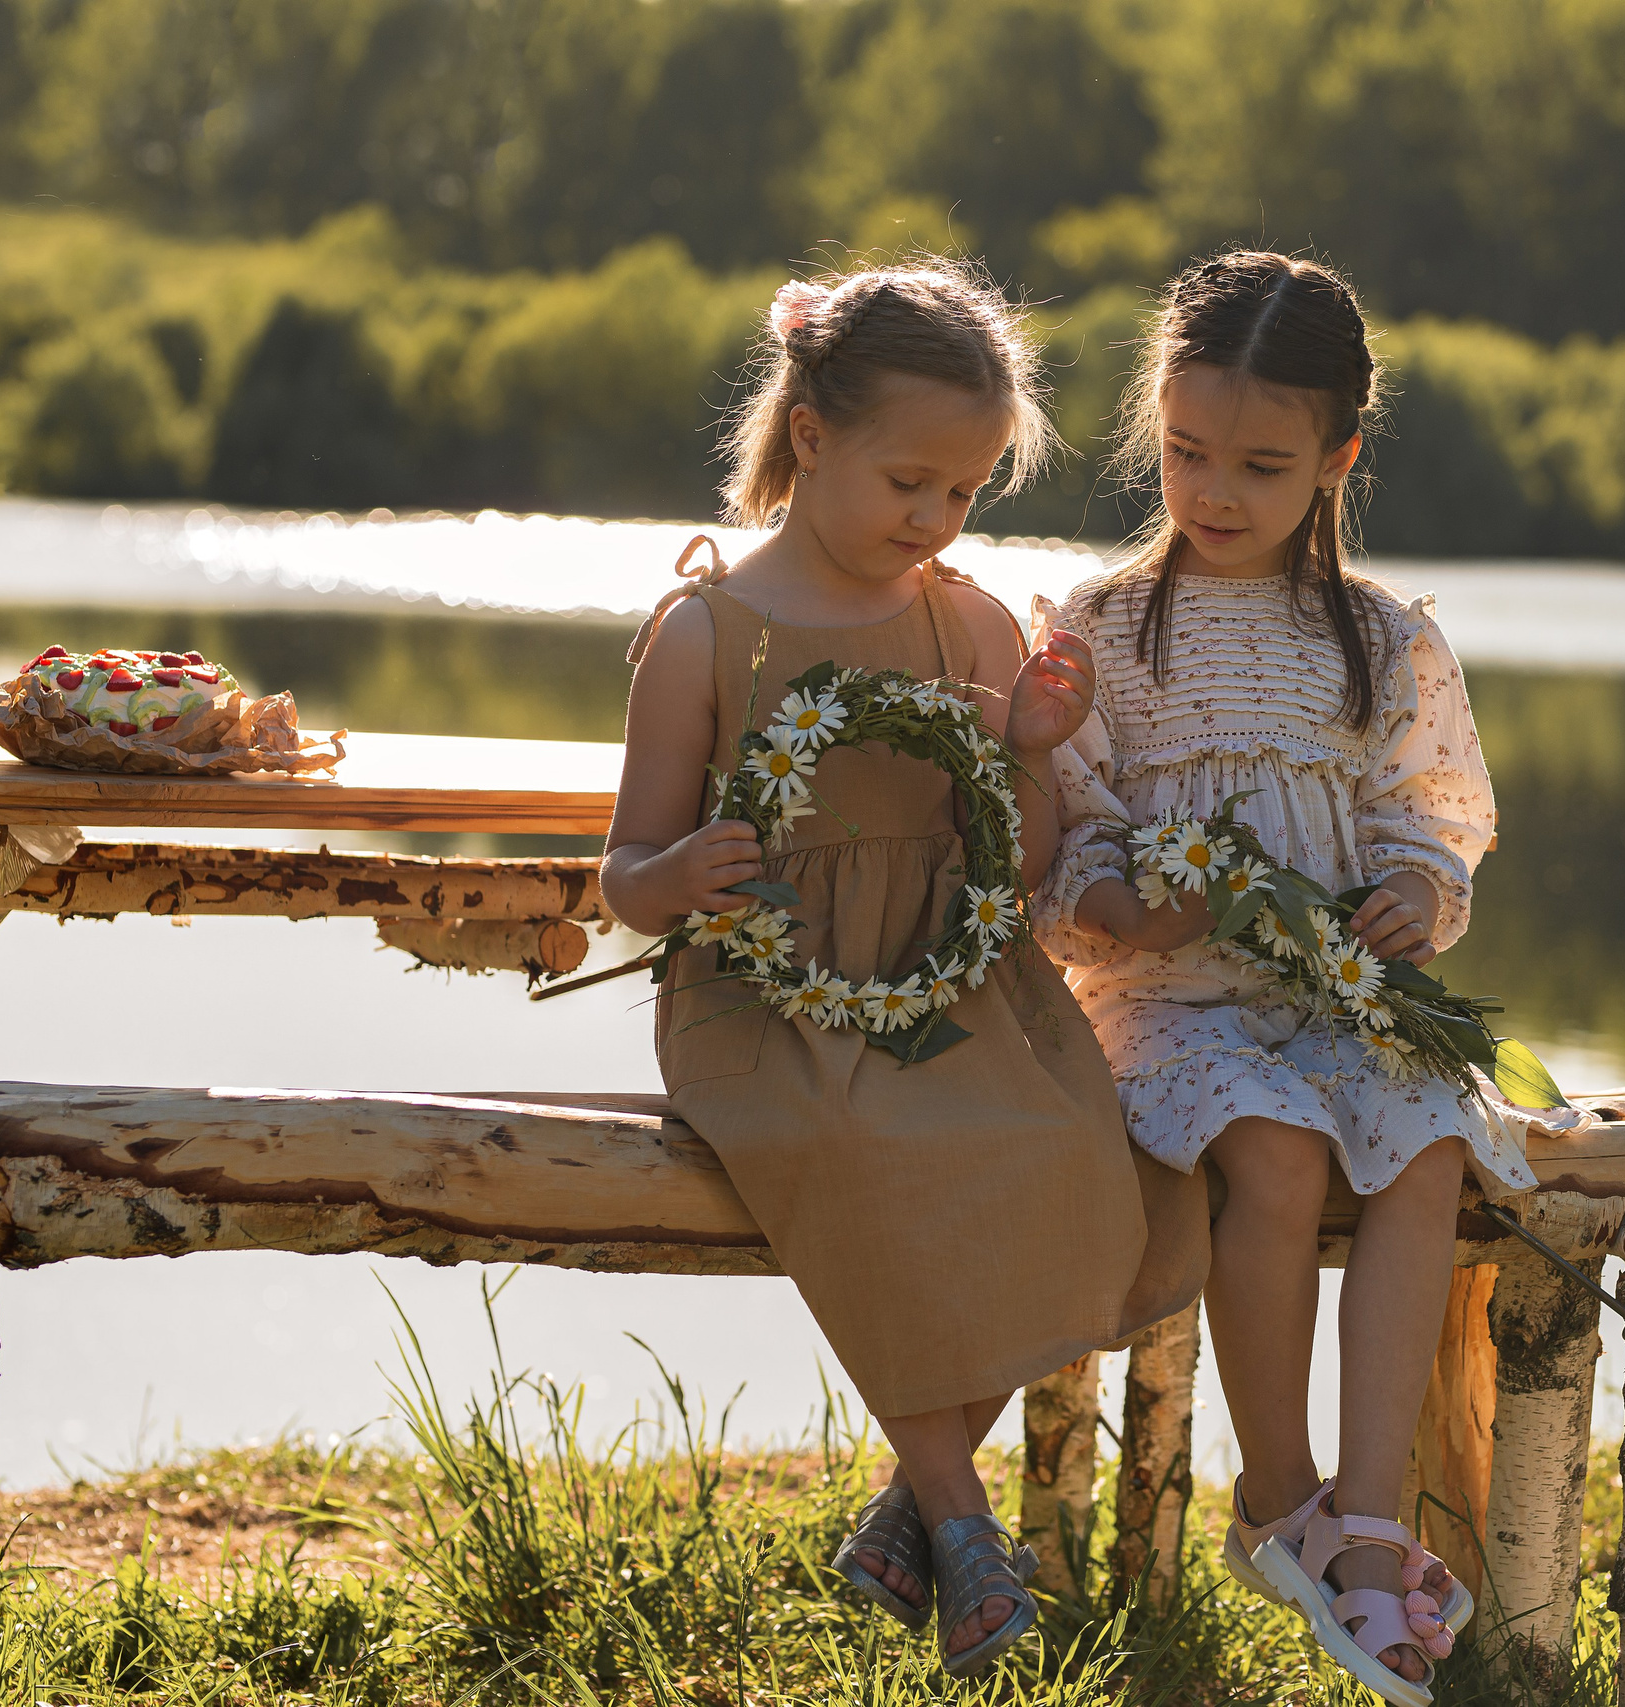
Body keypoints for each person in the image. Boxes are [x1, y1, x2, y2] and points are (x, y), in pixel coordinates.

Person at [601, 263, 1205, 1680]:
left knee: (1078, 1158)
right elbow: (625, 874)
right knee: (860, 1143)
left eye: (965, 494)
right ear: (811, 438)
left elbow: (1017, 860)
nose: (936, 520)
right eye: (910, 483)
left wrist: (1033, 744)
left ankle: (901, 1518)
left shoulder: (971, 625)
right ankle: (960, 1516)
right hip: (769, 1002)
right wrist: (679, 879)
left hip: (954, 983)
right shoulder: (703, 636)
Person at [1032, 251, 1534, 1706]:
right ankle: (1281, 1498)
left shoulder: (1385, 641)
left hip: (1335, 1003)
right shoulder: (1106, 629)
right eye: (1187, 453)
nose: (1217, 491)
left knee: (1429, 1143)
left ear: (1338, 458)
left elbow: (1432, 813)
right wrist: (1129, 906)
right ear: (1154, 431)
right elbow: (1071, 833)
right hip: (1167, 1006)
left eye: (1261, 462)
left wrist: (1410, 895)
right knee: (1278, 1150)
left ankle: (1367, 1530)